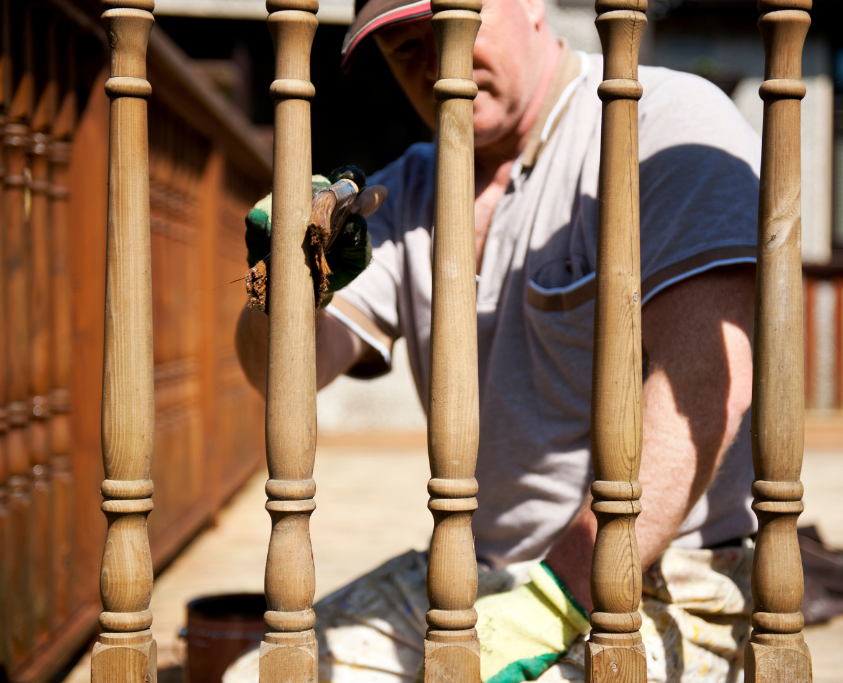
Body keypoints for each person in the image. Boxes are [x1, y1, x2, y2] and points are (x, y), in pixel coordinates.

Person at [228, 0, 762, 680]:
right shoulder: (406, 193)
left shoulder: (663, 122)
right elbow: (284, 375)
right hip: (473, 576)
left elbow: (709, 387)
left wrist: (560, 596)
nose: (438, 62)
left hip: (664, 579)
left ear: (534, 4)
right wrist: (279, 288)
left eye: (456, 27)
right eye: (407, 49)